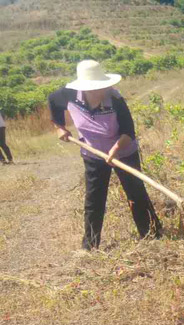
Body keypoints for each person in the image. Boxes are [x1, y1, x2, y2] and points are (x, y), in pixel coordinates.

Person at [49, 60, 161, 250]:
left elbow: (128, 131)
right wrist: (59, 127)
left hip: (124, 152)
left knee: (136, 194)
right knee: (94, 199)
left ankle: (152, 235)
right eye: (93, 89)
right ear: (84, 88)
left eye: (101, 87)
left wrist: (115, 151)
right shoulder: (67, 95)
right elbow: (52, 101)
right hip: (92, 153)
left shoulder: (116, 99)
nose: (99, 92)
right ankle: (90, 246)